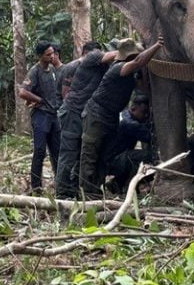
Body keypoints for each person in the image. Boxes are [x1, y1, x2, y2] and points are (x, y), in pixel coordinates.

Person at [79, 37, 164, 196]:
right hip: (96, 116)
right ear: (129, 57)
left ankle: (97, 192)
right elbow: (139, 62)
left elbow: (145, 89)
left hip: (110, 118)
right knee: (90, 156)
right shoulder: (117, 68)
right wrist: (157, 46)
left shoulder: (130, 76)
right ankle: (86, 195)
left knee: (104, 157)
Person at [54, 41, 116, 198]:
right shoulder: (86, 61)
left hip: (86, 114)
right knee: (69, 153)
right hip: (72, 112)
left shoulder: (102, 67)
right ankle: (62, 194)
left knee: (83, 153)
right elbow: (64, 94)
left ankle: (76, 189)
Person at [18, 41, 62, 193]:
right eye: (48, 54)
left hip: (53, 115)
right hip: (41, 115)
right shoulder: (35, 71)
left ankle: (60, 182)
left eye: (53, 53)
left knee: (57, 150)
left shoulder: (53, 70)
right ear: (40, 55)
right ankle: (36, 186)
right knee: (40, 151)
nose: (51, 56)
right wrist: (39, 100)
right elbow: (22, 92)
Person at [103, 95, 155, 193]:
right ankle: (130, 188)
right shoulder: (129, 124)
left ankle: (118, 183)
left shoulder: (124, 115)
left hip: (113, 159)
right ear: (133, 108)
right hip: (113, 161)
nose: (145, 116)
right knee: (148, 156)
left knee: (133, 157)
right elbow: (149, 137)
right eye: (143, 112)